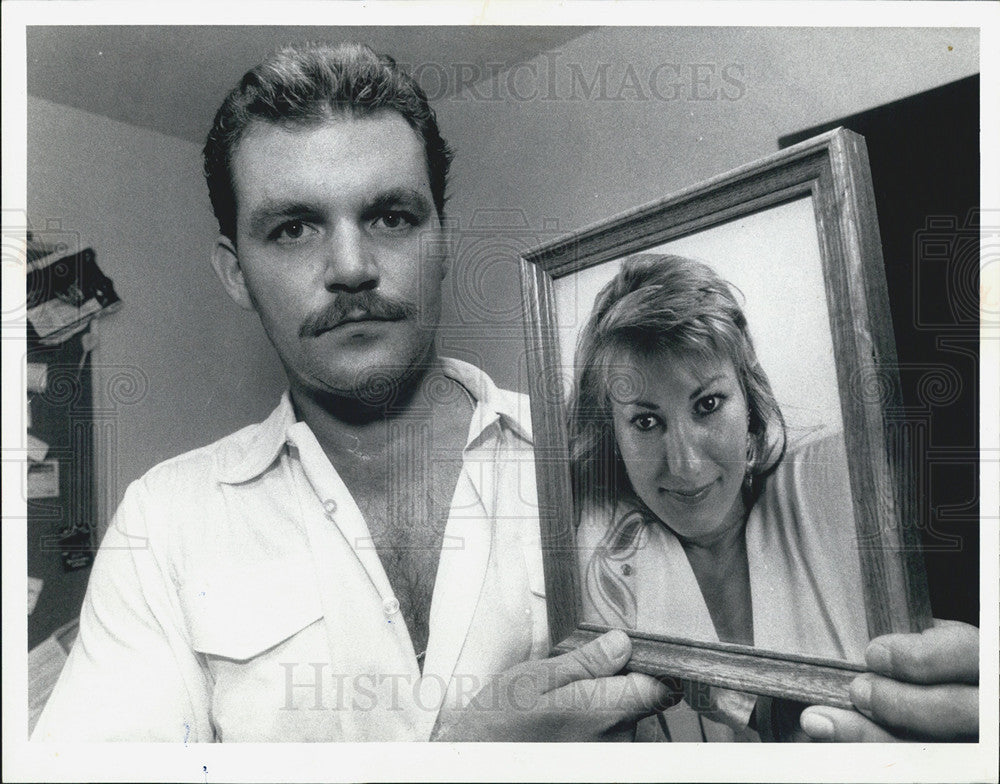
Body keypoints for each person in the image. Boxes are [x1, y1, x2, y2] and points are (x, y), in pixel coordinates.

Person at [32, 43, 977, 745]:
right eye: (293, 229)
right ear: (235, 272)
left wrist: (913, 727)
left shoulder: (599, 470)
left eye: (392, 215)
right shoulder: (168, 521)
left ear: (442, 234)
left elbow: (761, 684)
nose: (353, 265)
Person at [569, 255, 980, 741]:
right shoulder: (598, 547)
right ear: (612, 435)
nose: (685, 465)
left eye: (707, 405)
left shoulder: (835, 478)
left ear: (749, 400)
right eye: (645, 421)